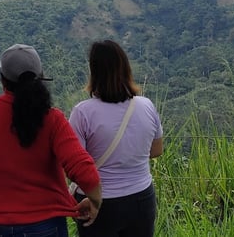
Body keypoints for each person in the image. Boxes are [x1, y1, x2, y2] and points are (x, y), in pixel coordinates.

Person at [0, 43, 102, 237]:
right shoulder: (52, 119)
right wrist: (96, 201)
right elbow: (84, 171)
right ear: (39, 79)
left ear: (3, 80)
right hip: (45, 226)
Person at [68, 40, 164, 237]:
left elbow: (75, 166)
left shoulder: (83, 113)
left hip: (97, 202)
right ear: (126, 68)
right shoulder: (146, 105)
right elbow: (156, 150)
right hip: (141, 198)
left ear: (94, 72)